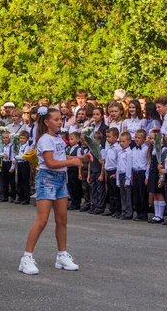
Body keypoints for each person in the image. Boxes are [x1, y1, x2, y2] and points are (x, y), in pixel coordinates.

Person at [19, 106, 90, 275]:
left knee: (62, 219)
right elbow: (50, 163)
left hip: (60, 180)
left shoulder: (58, 138)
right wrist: (72, 163)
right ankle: (26, 258)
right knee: (42, 220)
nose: (60, 122)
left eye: (60, 119)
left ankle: (62, 255)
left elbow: (61, 157)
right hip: (47, 179)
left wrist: (80, 158)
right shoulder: (45, 139)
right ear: (47, 122)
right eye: (56, 119)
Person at [102, 128, 121, 217]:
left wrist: (116, 173)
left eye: (109, 137)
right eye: (107, 137)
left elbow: (118, 161)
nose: (107, 138)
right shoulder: (108, 146)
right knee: (110, 192)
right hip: (108, 170)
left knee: (116, 192)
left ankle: (118, 210)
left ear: (115, 137)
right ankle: (111, 209)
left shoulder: (118, 148)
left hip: (114, 170)